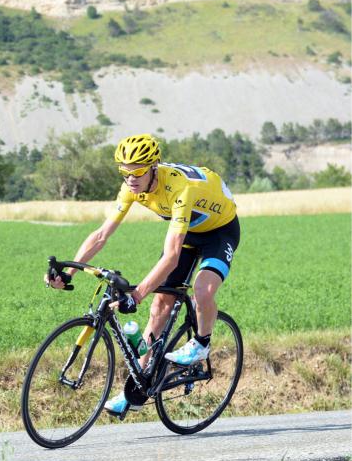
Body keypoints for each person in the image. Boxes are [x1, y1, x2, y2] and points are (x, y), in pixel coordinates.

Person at [44, 134, 239, 416]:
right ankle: (137, 386)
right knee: (160, 305)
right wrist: (70, 271)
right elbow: (100, 235)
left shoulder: (179, 188)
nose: (130, 179)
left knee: (202, 289)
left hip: (219, 232)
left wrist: (136, 295)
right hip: (187, 234)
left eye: (136, 172)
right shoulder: (130, 188)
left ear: (153, 167)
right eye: (124, 173)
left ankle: (201, 344)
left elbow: (171, 256)